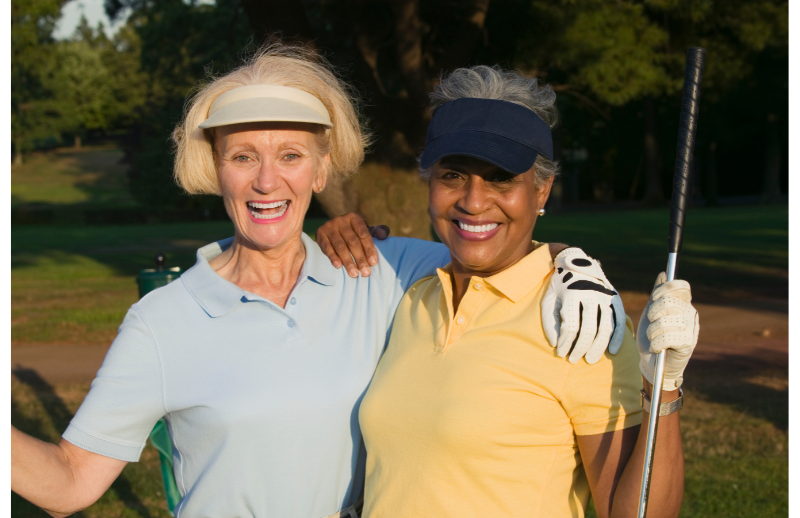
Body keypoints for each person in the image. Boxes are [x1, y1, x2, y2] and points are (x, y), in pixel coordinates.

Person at [10, 46, 623, 518]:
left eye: (291, 156)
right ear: (215, 169)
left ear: (323, 167)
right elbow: (68, 484)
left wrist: (572, 261)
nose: (267, 181)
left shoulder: (384, 270)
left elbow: (489, 239)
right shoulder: (162, 322)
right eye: (243, 156)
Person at [350, 66, 698, 518]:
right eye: (453, 175)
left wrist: (663, 389)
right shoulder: (413, 292)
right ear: (429, 183)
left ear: (542, 190)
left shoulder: (580, 320)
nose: (474, 201)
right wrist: (343, 228)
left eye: (501, 178)